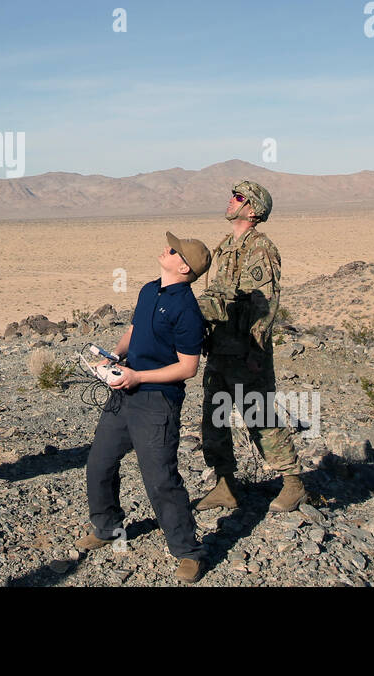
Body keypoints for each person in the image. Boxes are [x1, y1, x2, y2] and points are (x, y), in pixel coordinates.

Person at [77, 232, 213, 583]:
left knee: (160, 479)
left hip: (156, 402)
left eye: (173, 250)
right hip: (124, 394)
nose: (166, 248)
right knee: (99, 463)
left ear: (183, 266)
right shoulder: (150, 289)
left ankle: (188, 551)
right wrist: (115, 355)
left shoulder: (187, 309)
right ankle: (106, 527)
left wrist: (139, 377)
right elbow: (134, 331)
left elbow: (188, 367)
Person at [194, 180, 307, 514]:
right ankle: (225, 484)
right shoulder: (226, 246)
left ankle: (293, 483)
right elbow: (219, 295)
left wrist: (255, 352)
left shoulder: (261, 248)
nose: (231, 201)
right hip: (220, 347)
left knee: (258, 414)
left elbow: (264, 305)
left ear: (253, 210)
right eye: (232, 195)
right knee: (214, 417)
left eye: (239, 198)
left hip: (245, 349)